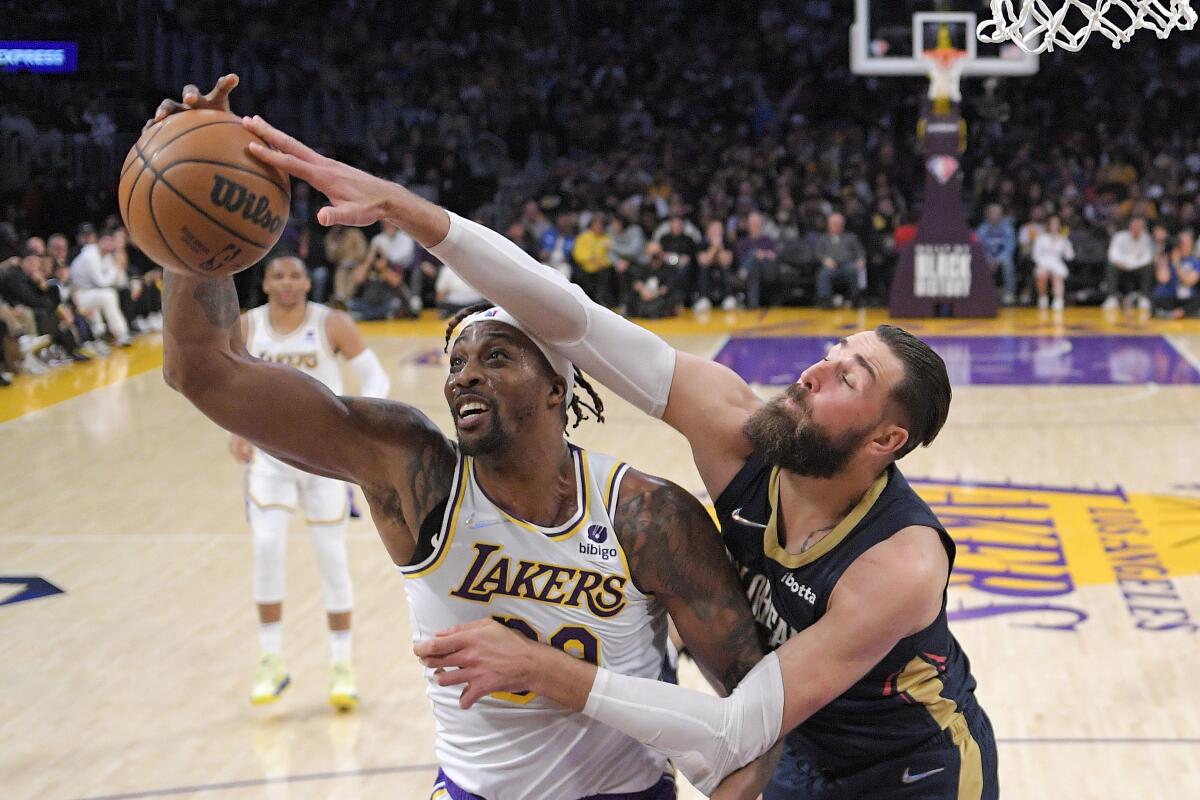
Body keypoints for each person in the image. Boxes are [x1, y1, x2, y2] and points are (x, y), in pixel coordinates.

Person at [230, 100, 996, 799]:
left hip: (912, 769)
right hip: (795, 749)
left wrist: (540, 668)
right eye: (832, 351)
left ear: (886, 438)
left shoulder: (899, 563)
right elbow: (573, 319)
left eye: (846, 376)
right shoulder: (736, 429)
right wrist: (404, 210)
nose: (814, 368)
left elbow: (735, 729)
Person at [151, 75, 770, 800]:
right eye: (457, 362)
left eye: (496, 357)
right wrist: (187, 238)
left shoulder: (647, 516)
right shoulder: (416, 476)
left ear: (557, 387)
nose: (464, 376)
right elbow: (203, 371)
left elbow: (754, 716)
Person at [228, 254, 391, 709]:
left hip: (323, 460)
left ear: (307, 281)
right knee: (265, 551)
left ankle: (342, 667)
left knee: (333, 560)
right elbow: (229, 387)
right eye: (278, 275)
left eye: (296, 274)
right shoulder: (247, 327)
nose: (287, 282)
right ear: (264, 283)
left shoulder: (331, 322)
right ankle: (270, 661)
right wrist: (235, 428)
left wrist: (357, 421)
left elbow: (375, 375)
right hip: (270, 458)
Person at [811, 212, 866, 309]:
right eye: (833, 224)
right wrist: (825, 260)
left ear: (843, 225)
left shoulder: (851, 237)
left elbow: (860, 252)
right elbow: (818, 253)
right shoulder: (823, 238)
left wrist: (860, 260)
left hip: (848, 264)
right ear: (828, 225)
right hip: (831, 266)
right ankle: (825, 300)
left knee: (852, 270)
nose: (836, 226)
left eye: (838, 224)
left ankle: (855, 298)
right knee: (823, 274)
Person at [1104, 217, 1154, 311]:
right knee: (1111, 266)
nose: (1136, 229)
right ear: (1129, 227)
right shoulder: (1119, 237)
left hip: (1137, 269)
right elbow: (1112, 254)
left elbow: (1147, 258)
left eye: (1139, 227)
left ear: (1143, 228)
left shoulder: (1146, 238)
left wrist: (1129, 263)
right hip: (1121, 268)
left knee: (1148, 267)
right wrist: (1125, 263)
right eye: (1134, 226)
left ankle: (1144, 298)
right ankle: (1111, 298)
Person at [1032, 214, 1075, 311]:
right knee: (1042, 274)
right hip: (1043, 263)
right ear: (1048, 225)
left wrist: (1065, 244)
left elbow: (1070, 256)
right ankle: (1043, 299)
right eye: (1052, 223)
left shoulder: (1063, 239)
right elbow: (1035, 255)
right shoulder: (1041, 238)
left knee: (1057, 275)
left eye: (1056, 224)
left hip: (1057, 264)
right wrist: (1046, 266)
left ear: (1060, 225)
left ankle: (1058, 300)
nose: (1054, 226)